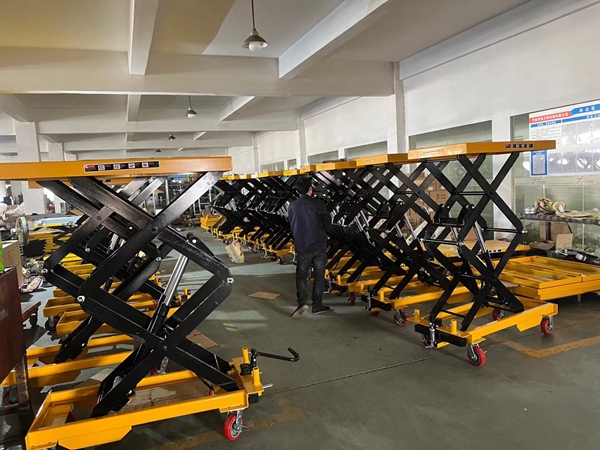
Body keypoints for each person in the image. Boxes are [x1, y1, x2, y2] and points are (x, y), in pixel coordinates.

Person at [288, 177, 332, 318]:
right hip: (318, 245)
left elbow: (291, 224)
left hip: (302, 246)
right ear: (310, 189)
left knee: (301, 275)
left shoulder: (292, 206)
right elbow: (328, 224)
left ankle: (302, 303)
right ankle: (317, 306)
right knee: (319, 276)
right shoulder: (318, 204)